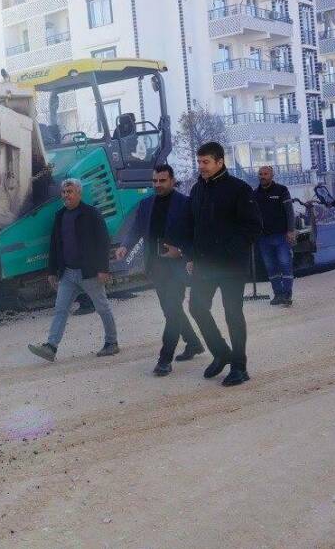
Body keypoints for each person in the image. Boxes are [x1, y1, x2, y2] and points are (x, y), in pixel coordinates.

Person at [185, 142, 263, 387]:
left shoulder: (239, 189)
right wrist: (191, 257)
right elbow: (193, 228)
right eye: (199, 162)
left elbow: (253, 227)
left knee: (233, 315)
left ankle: (239, 367)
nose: (201, 167)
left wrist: (228, 251)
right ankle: (221, 352)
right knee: (197, 307)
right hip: (205, 266)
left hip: (230, 266)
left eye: (206, 162)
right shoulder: (197, 190)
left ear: (220, 162)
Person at [114, 164, 203, 377]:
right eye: (155, 181)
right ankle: (193, 343)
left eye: (162, 181)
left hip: (177, 267)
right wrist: (125, 245)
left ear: (172, 181)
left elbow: (196, 235)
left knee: (172, 311)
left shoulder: (185, 204)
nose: (158, 185)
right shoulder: (146, 204)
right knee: (170, 310)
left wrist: (181, 252)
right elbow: (136, 228)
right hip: (155, 267)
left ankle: (165, 359)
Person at [28, 178, 119, 362]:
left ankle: (112, 343)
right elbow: (54, 245)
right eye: (63, 192)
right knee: (60, 309)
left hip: (89, 273)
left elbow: (103, 241)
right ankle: (51, 347)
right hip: (68, 274)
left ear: (79, 193)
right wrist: (52, 271)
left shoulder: (91, 214)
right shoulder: (60, 215)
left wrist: (103, 269)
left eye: (69, 192)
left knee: (102, 307)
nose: (66, 195)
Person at [253, 166, 296, 307]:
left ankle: (287, 294)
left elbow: (289, 212)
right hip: (263, 238)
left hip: (281, 236)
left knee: (285, 264)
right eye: (260, 174)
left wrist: (291, 230)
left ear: (272, 175)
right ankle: (278, 294)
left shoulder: (282, 190)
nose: (262, 176)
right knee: (271, 267)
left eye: (265, 174)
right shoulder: (255, 194)